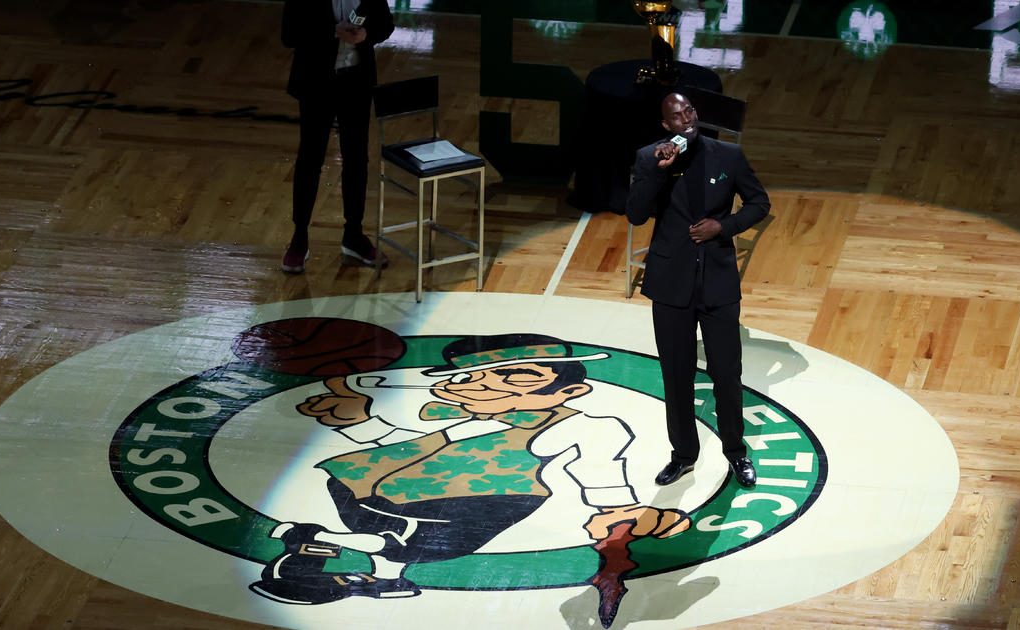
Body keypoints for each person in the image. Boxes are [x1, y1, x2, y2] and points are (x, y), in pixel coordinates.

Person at [249, 334, 690, 604]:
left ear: (569, 389)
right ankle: (381, 577)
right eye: (469, 379)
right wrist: (361, 421)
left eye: (514, 377)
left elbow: (602, 471)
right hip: (373, 486)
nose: (483, 387)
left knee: (415, 541)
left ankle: (316, 539)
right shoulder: (462, 419)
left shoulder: (587, 425)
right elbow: (401, 445)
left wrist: (620, 511)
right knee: (398, 538)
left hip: (477, 498)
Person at [625, 92, 770, 488]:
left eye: (689, 110)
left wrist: (723, 227)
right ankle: (683, 455)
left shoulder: (728, 156)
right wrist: (658, 171)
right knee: (676, 375)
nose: (686, 118)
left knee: (726, 372)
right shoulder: (649, 158)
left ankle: (736, 453)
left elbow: (759, 203)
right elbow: (636, 215)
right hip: (671, 284)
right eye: (676, 115)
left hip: (718, 282)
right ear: (666, 125)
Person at [280, 0, 394, 273]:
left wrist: (366, 34)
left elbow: (385, 24)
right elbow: (289, 35)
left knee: (357, 159)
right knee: (310, 158)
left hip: (356, 81)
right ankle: (299, 238)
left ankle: (354, 234)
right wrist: (332, 31)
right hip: (316, 82)